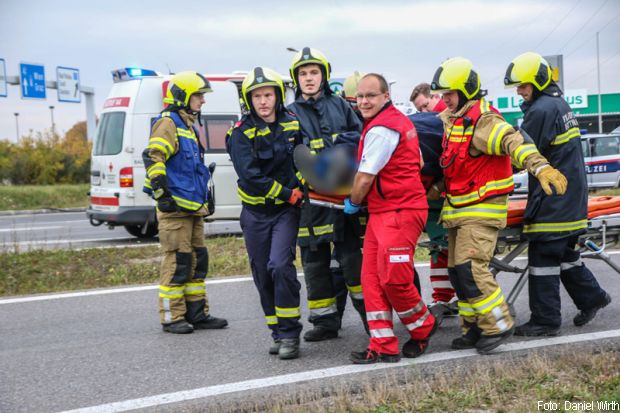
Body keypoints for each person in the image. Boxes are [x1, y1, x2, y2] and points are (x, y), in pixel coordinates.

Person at [429, 57, 567, 354]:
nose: (444, 100)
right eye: (442, 95)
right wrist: (437, 187)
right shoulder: (453, 121)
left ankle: (498, 324)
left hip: (480, 211)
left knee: (470, 268)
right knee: (457, 271)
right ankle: (473, 327)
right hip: (458, 211)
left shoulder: (484, 121)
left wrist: (541, 168)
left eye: (449, 94)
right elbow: (456, 165)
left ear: (466, 90)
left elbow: (514, 143)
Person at [504, 52, 612, 336]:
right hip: (570, 196)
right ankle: (593, 297)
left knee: (543, 257)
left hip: (554, 198)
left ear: (537, 83)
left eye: (523, 86)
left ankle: (546, 320)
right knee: (565, 254)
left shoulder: (540, 111)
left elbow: (521, 155)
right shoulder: (559, 105)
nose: (519, 91)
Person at [347, 73, 437, 364]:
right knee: (371, 279)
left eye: (370, 96)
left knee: (393, 279)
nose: (364, 101)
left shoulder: (381, 130)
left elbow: (363, 178)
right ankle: (383, 344)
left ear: (385, 96)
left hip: (399, 212)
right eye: (360, 96)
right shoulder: (397, 121)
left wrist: (353, 200)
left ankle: (423, 327)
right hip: (384, 212)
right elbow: (420, 161)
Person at [287, 47, 368, 341]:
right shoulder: (290, 112)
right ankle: (325, 322)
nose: (309, 78)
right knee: (313, 260)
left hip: (343, 195)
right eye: (303, 73)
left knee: (351, 260)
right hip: (312, 201)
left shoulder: (341, 106)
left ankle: (370, 317)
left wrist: (338, 161)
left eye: (314, 72)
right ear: (296, 78)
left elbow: (358, 137)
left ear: (324, 75)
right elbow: (291, 152)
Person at [226, 67, 304, 359]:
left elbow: (303, 161)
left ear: (278, 95)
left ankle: (290, 334)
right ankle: (276, 331)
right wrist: (287, 192)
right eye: (257, 96)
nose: (263, 101)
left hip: (286, 212)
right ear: (249, 99)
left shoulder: (293, 124)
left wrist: (306, 185)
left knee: (280, 265)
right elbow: (249, 177)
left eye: (268, 94)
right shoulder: (240, 133)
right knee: (262, 274)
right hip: (255, 213)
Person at [142, 71, 228, 334]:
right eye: (199, 95)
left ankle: (196, 313)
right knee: (177, 262)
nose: (202, 100)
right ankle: (172, 316)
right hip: (174, 208)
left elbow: (190, 169)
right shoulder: (168, 123)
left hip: (192, 207)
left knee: (196, 261)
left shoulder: (187, 123)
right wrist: (161, 193)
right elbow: (154, 157)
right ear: (183, 96)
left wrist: (206, 198)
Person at [408, 110, 457, 324]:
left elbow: (461, 170)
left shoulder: (437, 143)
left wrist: (439, 185)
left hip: (447, 194)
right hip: (431, 195)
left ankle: (452, 299)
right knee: (440, 248)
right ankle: (442, 300)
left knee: (449, 248)